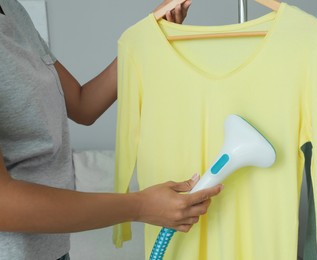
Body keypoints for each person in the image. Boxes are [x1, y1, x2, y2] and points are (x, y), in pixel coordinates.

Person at [0, 0, 223, 259]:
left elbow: (83, 104)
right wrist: (140, 206)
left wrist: (146, 38)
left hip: (53, 251)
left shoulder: (11, 9)